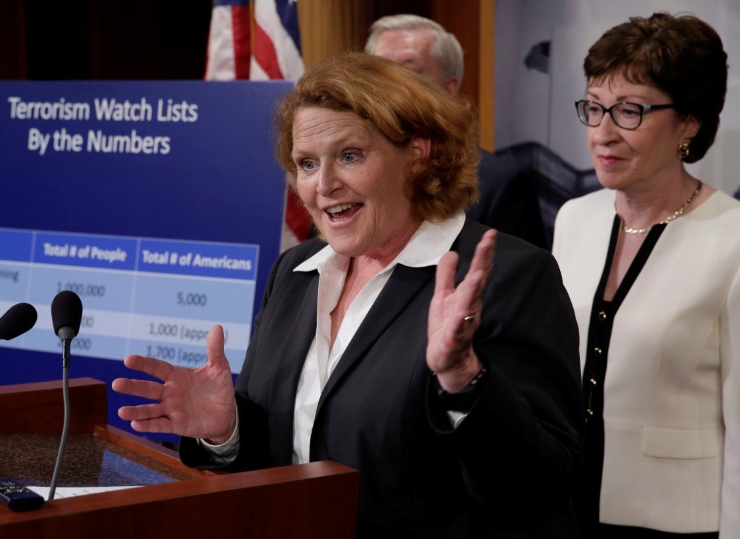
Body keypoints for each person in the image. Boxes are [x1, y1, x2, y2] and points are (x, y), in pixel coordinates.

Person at [113, 51, 583, 537]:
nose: (324, 185)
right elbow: (290, 452)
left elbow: (541, 487)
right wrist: (227, 431)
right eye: (307, 164)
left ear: (418, 152)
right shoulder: (296, 272)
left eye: (350, 156)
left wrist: (466, 380)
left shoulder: (509, 276)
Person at [552, 12, 739, 538]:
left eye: (630, 111)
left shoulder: (733, 239)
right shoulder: (575, 218)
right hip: (567, 510)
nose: (603, 133)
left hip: (679, 520)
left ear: (689, 122)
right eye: (594, 108)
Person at [366, 13, 549, 249]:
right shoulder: (344, 176)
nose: (389, 85)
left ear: (448, 88)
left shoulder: (499, 186)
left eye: (407, 72)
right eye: (379, 72)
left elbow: (518, 281)